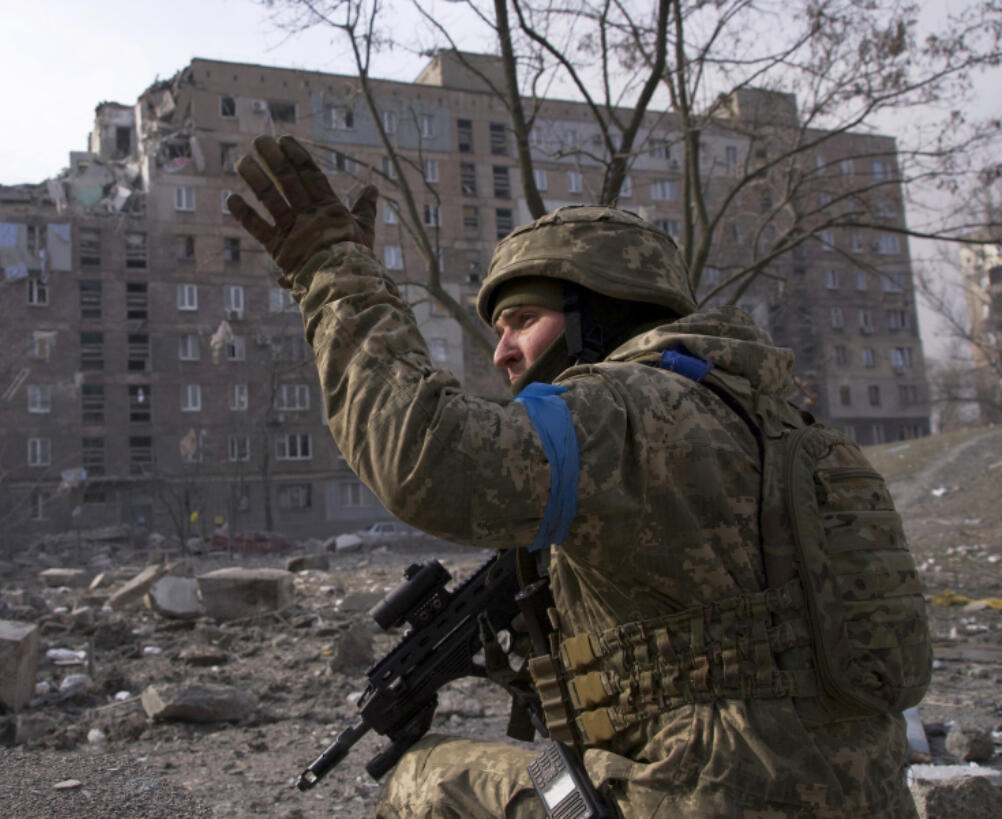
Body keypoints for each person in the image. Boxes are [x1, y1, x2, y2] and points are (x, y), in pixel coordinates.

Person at [227, 135, 923, 817]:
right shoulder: (784, 427)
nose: (502, 352)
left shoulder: (623, 410)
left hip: (701, 793)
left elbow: (424, 457)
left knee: (421, 778)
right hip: (859, 793)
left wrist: (333, 269)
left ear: (601, 315)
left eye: (522, 320)